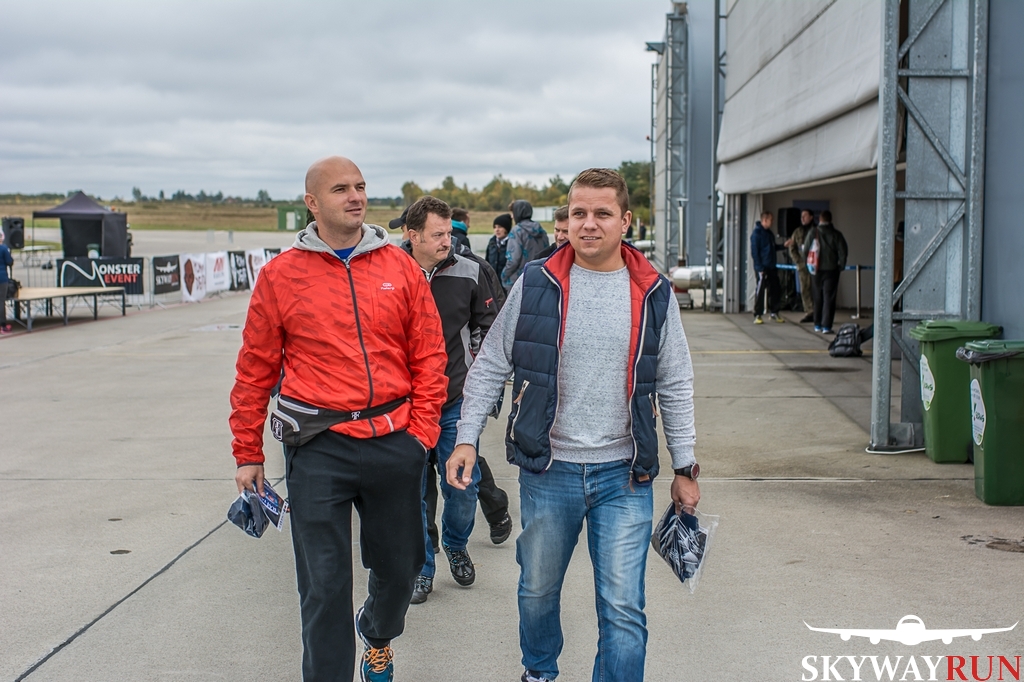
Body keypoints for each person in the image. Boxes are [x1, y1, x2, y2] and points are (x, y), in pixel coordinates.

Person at [447, 168, 700, 682]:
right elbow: (491, 363)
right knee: (537, 591)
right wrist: (466, 437)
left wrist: (685, 465)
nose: (589, 224)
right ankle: (539, 672)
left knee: (624, 609)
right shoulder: (535, 283)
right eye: (579, 212)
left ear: (625, 221)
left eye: (602, 213)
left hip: (624, 474)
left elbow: (675, 381)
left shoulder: (653, 291)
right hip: (549, 470)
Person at [230, 156, 448, 682]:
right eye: (340, 189)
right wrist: (247, 452)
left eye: (360, 186)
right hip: (318, 443)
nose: (355, 196)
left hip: (394, 439)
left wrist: (421, 435)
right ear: (312, 203)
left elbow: (429, 355)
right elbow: (255, 368)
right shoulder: (281, 275)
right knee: (323, 586)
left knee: (402, 568)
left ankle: (376, 633)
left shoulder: (400, 268)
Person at [400, 195, 503, 605]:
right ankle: (422, 567)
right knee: (411, 493)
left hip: (455, 400)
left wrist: (479, 380)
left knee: (462, 487)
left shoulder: (472, 270)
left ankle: (456, 544)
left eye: (449, 233)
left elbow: (490, 330)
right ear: (412, 236)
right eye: (438, 234)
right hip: (404, 405)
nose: (448, 241)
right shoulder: (390, 270)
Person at [803, 209, 848, 334]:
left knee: (817, 297)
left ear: (820, 219)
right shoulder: (836, 234)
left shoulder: (813, 232)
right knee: (829, 298)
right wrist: (841, 265)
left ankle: (817, 324)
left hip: (816, 270)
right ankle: (826, 326)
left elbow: (806, 250)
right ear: (831, 220)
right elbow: (843, 251)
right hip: (832, 270)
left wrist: (808, 265)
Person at [501, 200, 549, 288]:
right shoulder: (542, 231)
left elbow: (513, 260)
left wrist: (504, 275)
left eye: (513, 213)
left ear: (518, 213)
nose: (512, 216)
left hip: (519, 281)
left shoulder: (517, 231)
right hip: (540, 279)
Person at [750, 211, 786, 324]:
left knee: (775, 289)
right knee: (761, 291)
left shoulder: (769, 234)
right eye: (771, 219)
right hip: (763, 267)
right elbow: (755, 252)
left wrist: (783, 246)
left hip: (771, 266)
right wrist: (760, 268)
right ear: (765, 220)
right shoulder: (757, 234)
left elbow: (772, 247)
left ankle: (774, 312)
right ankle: (758, 314)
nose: (773, 222)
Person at [784, 209, 816, 323]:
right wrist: (799, 261)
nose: (802, 218)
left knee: (817, 289)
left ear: (811, 217)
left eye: (805, 216)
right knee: (805, 289)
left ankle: (819, 312)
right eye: (801, 216)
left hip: (816, 265)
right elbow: (792, 248)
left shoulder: (817, 231)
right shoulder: (798, 232)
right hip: (803, 266)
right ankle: (809, 312)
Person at [487, 214, 512, 284]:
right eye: (495, 227)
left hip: (506, 282)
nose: (497, 230)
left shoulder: (511, 243)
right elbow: (486, 262)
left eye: (500, 227)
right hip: (492, 282)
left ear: (506, 228)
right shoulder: (492, 242)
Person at [0, 229, 13, 334]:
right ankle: (2, 324)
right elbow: (9, 261)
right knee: (1, 301)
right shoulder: (3, 248)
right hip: (2, 277)